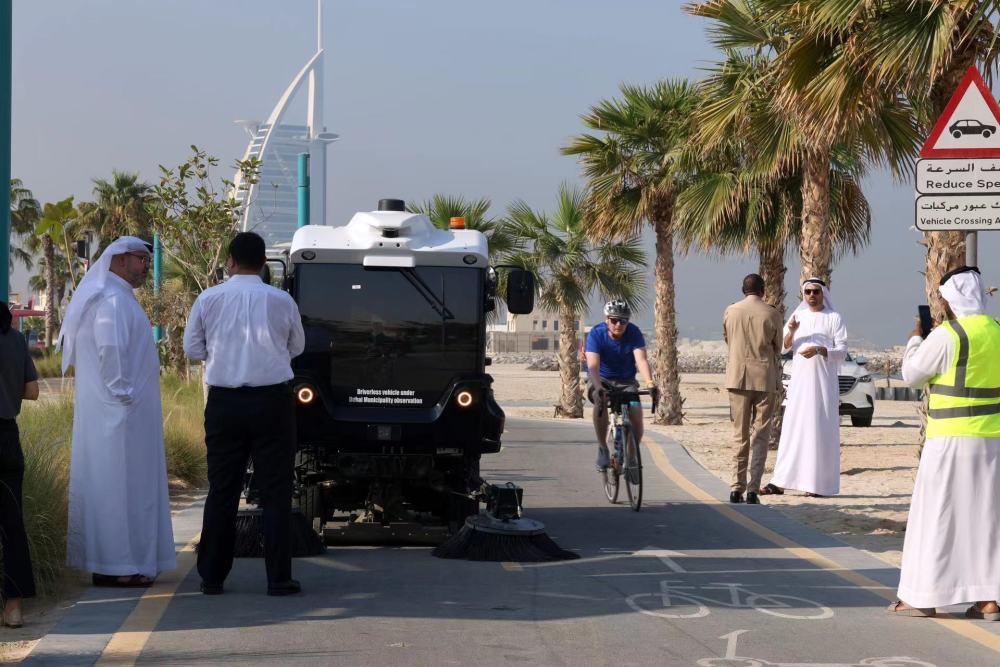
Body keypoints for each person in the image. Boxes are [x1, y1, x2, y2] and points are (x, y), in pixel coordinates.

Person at [184, 232, 305, 596]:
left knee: (222, 489)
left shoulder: (209, 298)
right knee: (276, 490)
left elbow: (193, 348)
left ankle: (212, 576)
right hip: (272, 404)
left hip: (224, 403)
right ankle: (278, 578)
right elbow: (297, 345)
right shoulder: (282, 300)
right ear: (264, 264)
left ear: (230, 261)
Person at [60, 237, 176, 587]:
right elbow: (110, 350)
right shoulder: (110, 300)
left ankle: (124, 564)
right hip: (118, 417)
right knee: (118, 490)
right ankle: (119, 566)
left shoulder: (119, 297)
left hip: (123, 416)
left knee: (126, 489)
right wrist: (123, 396)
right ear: (120, 259)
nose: (145, 266)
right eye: (141, 259)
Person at [890, 266, 1000, 620]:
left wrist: (914, 340)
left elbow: (911, 375)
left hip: (950, 441)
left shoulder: (948, 335)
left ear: (950, 301)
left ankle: (924, 596)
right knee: (987, 520)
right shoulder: (997, 331)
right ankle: (989, 600)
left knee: (937, 515)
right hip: (993, 441)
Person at [767, 278, 847, 498]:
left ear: (823, 294)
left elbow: (841, 351)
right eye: (808, 292)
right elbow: (783, 348)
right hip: (800, 386)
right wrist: (791, 331)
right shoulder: (797, 317)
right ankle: (780, 481)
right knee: (794, 429)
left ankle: (817, 485)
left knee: (819, 430)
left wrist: (821, 350)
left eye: (816, 292)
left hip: (822, 385)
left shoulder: (834, 318)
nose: (811, 295)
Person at [722, 274, 783, 504]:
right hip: (764, 378)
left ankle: (735, 487)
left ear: (743, 289)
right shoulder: (771, 313)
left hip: (737, 378)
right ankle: (753, 490)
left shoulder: (731, 311)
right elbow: (778, 346)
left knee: (740, 434)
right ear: (763, 290)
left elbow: (728, 338)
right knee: (760, 435)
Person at [0, 302, 39, 627]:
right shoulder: (15, 339)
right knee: (13, 524)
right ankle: (13, 606)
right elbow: (33, 390)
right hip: (7, 438)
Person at [585, 300, 656, 470]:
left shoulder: (634, 333)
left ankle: (631, 455)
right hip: (602, 379)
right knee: (600, 401)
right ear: (607, 319)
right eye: (614, 320)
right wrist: (598, 388)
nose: (618, 324)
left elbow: (641, 359)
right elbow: (592, 365)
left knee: (636, 415)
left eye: (623, 321)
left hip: (626, 381)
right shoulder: (596, 334)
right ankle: (602, 448)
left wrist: (650, 383)